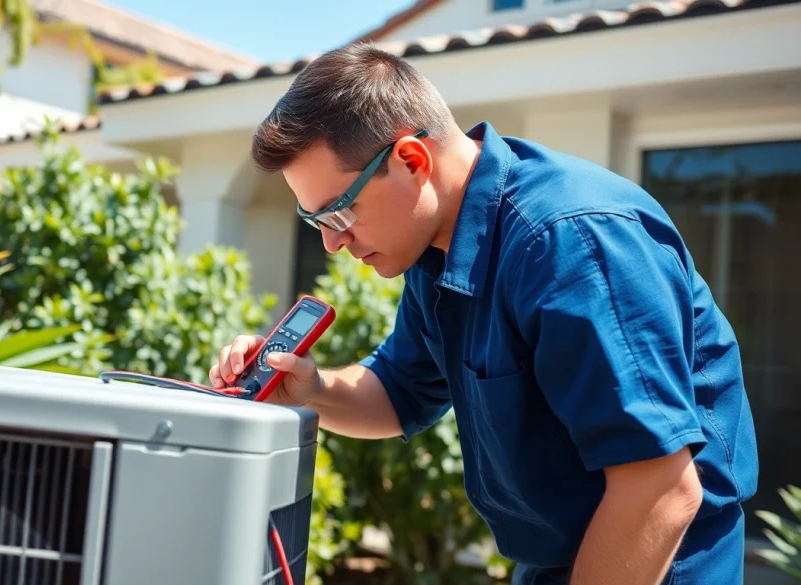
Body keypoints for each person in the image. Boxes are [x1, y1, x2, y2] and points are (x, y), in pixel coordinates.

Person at [208, 43, 758, 585]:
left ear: (411, 160)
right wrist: (311, 389)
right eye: (315, 221)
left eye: (339, 211)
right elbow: (398, 393)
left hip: (658, 563)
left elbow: (659, 488)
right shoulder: (435, 252)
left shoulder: (570, 242)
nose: (332, 243)